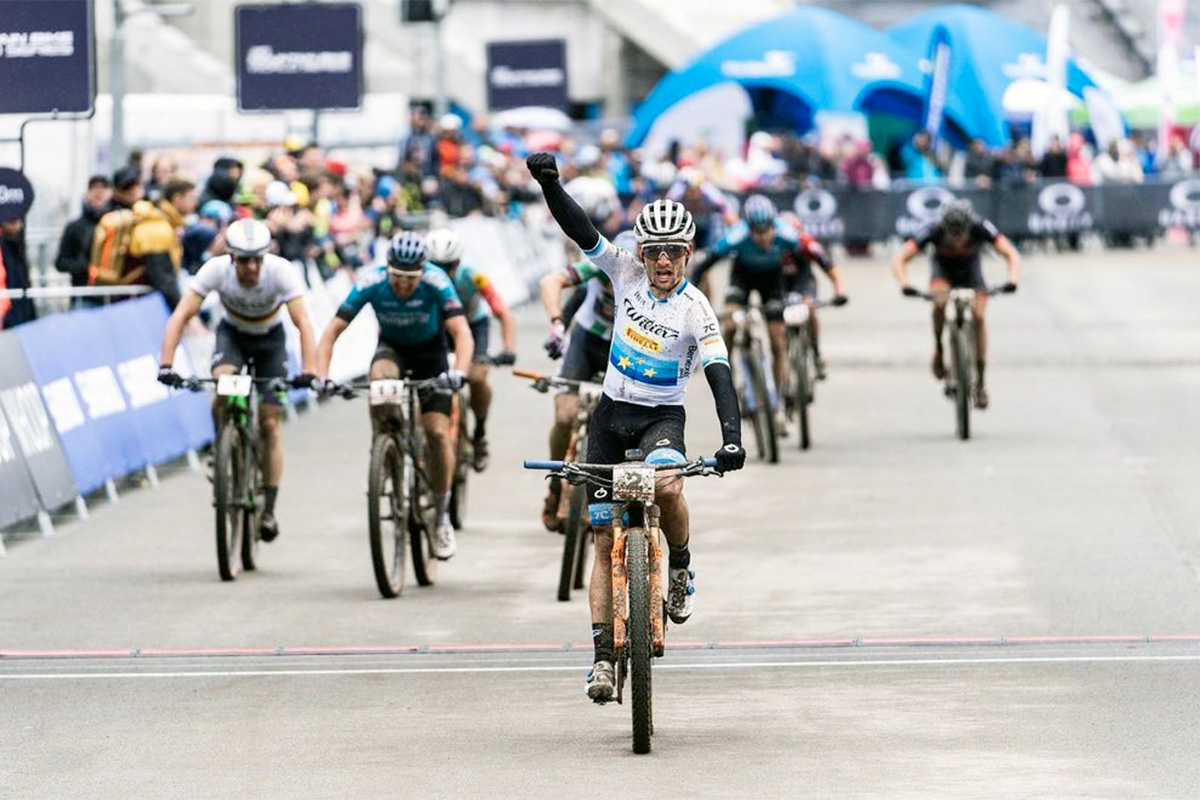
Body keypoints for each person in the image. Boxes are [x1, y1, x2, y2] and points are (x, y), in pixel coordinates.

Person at [526, 152, 746, 704]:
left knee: (668, 485)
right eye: (653, 251)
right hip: (610, 417)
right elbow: (581, 230)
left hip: (660, 420)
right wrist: (550, 185)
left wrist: (732, 438)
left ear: (688, 254)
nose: (663, 261)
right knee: (602, 543)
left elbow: (719, 374)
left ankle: (681, 566)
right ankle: (602, 659)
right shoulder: (623, 273)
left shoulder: (697, 309)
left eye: (673, 251)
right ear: (641, 253)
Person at [157, 219, 319, 543]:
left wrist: (310, 371)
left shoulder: (281, 271)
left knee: (270, 425)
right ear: (231, 258)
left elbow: (303, 322)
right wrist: (166, 365)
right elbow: (180, 316)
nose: (252, 267)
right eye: (244, 260)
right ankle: (223, 443)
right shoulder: (215, 270)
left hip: (270, 341)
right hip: (233, 337)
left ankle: (268, 509)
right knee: (223, 384)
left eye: (257, 259)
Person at [315, 231, 473, 560]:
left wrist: (459, 372)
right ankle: (385, 448)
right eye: (397, 277)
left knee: (437, 432)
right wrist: (322, 376)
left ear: (422, 272)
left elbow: (461, 332)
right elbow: (332, 331)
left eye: (410, 279)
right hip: (392, 349)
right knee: (379, 383)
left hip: (431, 354)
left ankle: (442, 516)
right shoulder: (370, 280)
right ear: (387, 270)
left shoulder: (437, 281)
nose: (402, 285)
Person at [688, 195, 831, 436]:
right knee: (730, 323)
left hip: (772, 282)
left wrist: (814, 291)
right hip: (742, 278)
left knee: (778, 339)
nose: (764, 237)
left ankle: (778, 398)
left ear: (774, 226)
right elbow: (704, 264)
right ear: (749, 229)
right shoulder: (735, 236)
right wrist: (691, 297)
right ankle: (725, 368)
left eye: (767, 231)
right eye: (758, 233)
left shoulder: (786, 234)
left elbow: (811, 259)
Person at [536, 231, 626, 532]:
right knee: (565, 416)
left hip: (624, 349)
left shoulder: (648, 274)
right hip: (586, 341)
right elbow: (550, 282)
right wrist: (557, 324)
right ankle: (555, 485)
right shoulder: (598, 265)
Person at [891, 199, 1019, 410]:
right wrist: (904, 284)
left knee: (979, 316)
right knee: (939, 302)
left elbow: (1010, 253)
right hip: (943, 273)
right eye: (953, 234)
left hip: (972, 274)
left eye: (961, 234)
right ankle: (939, 348)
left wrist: (1012, 279)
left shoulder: (980, 226)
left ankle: (980, 381)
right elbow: (900, 258)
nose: (958, 240)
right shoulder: (933, 229)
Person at [424, 228, 517, 471]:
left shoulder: (474, 275)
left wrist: (508, 347)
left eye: (447, 266)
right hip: (441, 326)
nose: (441, 272)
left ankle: (480, 431)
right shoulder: (421, 278)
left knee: (476, 377)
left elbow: (501, 309)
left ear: (458, 262)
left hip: (474, 325)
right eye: (435, 266)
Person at [779, 212, 848, 380]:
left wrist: (840, 291)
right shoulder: (769, 245)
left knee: (809, 310)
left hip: (803, 281)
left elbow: (830, 268)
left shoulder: (808, 244)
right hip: (779, 283)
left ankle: (816, 353)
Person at [55, 175, 112, 305]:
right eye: (95, 188)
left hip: (114, 296)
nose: (99, 193)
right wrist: (85, 266)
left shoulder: (119, 223)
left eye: (103, 188)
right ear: (88, 193)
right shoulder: (75, 227)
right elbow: (60, 263)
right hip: (84, 294)